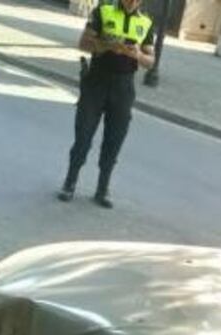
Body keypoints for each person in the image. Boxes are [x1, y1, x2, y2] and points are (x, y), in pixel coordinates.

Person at [57, 0, 155, 208]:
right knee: (83, 135)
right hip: (96, 82)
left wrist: (136, 54)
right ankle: (70, 182)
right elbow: (83, 43)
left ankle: (102, 189)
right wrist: (107, 45)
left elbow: (150, 61)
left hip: (123, 87)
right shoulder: (103, 12)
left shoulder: (145, 22)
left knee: (114, 139)